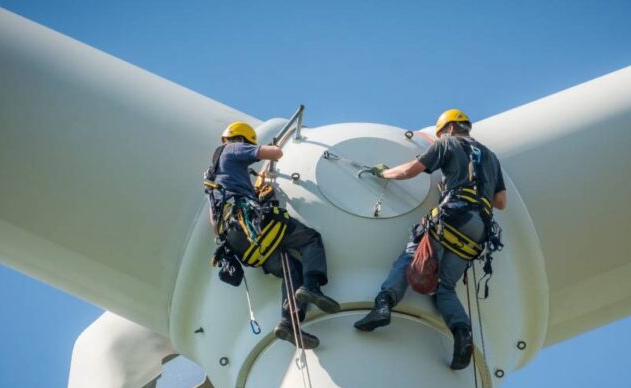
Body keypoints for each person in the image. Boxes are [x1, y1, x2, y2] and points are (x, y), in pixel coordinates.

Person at [354, 109, 507, 369]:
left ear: (447, 129)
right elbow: (501, 202)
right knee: (444, 287)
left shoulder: (446, 144)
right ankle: (462, 334)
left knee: (411, 256)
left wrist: (384, 174)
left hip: (452, 216)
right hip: (478, 230)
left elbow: (411, 171)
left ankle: (383, 305)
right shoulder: (491, 158)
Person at [206, 121, 341, 349]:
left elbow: (213, 222)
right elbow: (274, 153)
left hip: (238, 241)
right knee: (310, 239)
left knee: (290, 267)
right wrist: (271, 149)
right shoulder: (234, 149)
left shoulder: (213, 176)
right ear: (242, 139)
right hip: (251, 223)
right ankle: (312, 286)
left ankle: (288, 323)